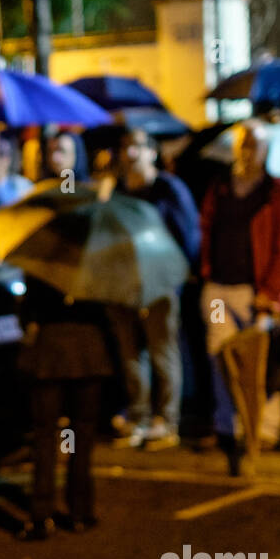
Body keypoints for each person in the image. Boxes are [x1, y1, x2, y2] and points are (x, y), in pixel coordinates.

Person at [198, 120, 280, 475]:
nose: (246, 152)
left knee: (261, 366)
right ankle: (229, 425)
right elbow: (206, 229)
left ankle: (266, 428)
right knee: (221, 357)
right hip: (219, 290)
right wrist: (205, 270)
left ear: (265, 152)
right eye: (242, 144)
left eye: (253, 145)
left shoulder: (278, 194)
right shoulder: (220, 188)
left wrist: (271, 292)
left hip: (255, 294)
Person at [108, 126, 201, 449]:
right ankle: (138, 416)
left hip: (160, 284)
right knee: (131, 355)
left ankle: (167, 420)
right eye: (125, 147)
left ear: (152, 151)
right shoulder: (117, 191)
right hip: (122, 285)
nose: (130, 154)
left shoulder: (167, 189)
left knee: (163, 352)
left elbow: (188, 234)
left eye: (137, 146)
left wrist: (177, 276)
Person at [16, 274, 120, 540]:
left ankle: (41, 516)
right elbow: (109, 311)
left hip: (49, 356)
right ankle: (80, 512)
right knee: (82, 437)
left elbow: (27, 314)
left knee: (44, 437)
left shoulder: (43, 264)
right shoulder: (96, 264)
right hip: (89, 354)